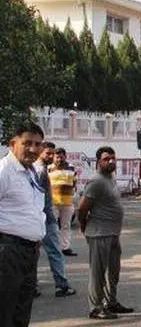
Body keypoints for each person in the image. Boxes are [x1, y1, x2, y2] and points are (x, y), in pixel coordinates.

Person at [77, 146, 134, 320]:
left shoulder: (110, 177)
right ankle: (95, 307)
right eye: (106, 159)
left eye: (113, 158)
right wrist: (83, 223)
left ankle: (111, 302)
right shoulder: (97, 181)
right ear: (98, 162)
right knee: (98, 273)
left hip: (113, 233)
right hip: (99, 233)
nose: (111, 161)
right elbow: (82, 208)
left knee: (113, 272)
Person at [0, 122, 47, 326]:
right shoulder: (4, 171)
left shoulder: (30, 171)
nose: (33, 149)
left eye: (37, 144)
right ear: (12, 143)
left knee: (22, 312)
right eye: (27, 143)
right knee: (5, 312)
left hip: (29, 252)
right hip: (8, 252)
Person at [33, 142, 77, 298]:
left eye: (53, 154)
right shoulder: (39, 170)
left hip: (42, 215)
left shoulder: (37, 169)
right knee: (54, 252)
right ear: (40, 152)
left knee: (35, 253)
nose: (51, 156)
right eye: (48, 153)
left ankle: (33, 286)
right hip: (43, 216)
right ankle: (61, 286)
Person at [48, 148, 78, 256]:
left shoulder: (71, 168)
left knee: (66, 226)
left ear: (65, 156)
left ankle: (65, 248)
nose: (59, 159)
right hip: (53, 203)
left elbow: (74, 183)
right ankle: (54, 247)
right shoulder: (49, 168)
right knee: (53, 226)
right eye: (57, 157)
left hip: (67, 203)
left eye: (61, 157)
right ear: (54, 157)